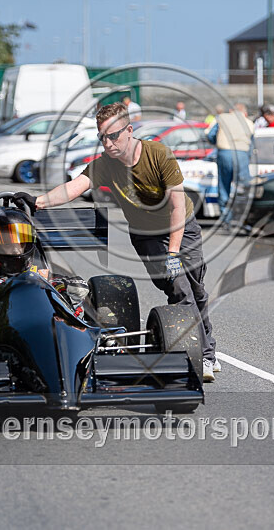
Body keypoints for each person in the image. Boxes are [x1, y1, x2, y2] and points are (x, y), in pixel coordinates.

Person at [34, 102, 220, 382]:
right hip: (146, 235)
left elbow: (178, 208)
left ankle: (209, 351)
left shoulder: (159, 155)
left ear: (130, 131)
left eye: (114, 136)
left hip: (182, 227)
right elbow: (74, 187)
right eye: (102, 138)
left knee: (196, 288)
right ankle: (201, 357)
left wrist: (172, 251)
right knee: (178, 288)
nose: (108, 143)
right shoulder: (105, 165)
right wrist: (38, 201)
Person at [208, 103, 254, 224]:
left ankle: (226, 218)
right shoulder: (248, 122)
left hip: (225, 152)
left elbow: (211, 135)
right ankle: (242, 217)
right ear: (244, 112)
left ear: (231, 111)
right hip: (242, 154)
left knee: (224, 185)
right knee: (244, 186)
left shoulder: (222, 118)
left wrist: (216, 142)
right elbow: (252, 144)